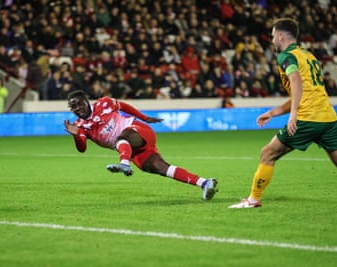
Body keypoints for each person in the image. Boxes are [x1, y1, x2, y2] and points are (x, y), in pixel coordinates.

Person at [229, 18, 337, 209]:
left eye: (272, 36)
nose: (272, 41)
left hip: (307, 118)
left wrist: (294, 113)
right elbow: (304, 91)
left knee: (268, 154)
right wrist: (273, 113)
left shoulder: (286, 56)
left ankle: (253, 199)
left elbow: (296, 82)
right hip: (328, 117)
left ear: (280, 36)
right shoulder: (309, 56)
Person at [63, 90, 218, 200]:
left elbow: (123, 106)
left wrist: (144, 117)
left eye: (79, 104)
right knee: (161, 168)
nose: (77, 109)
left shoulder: (104, 103)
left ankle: (124, 164)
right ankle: (205, 183)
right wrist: (76, 137)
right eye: (73, 107)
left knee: (121, 138)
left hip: (139, 132)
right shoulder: (80, 126)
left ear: (86, 101)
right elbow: (82, 148)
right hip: (134, 152)